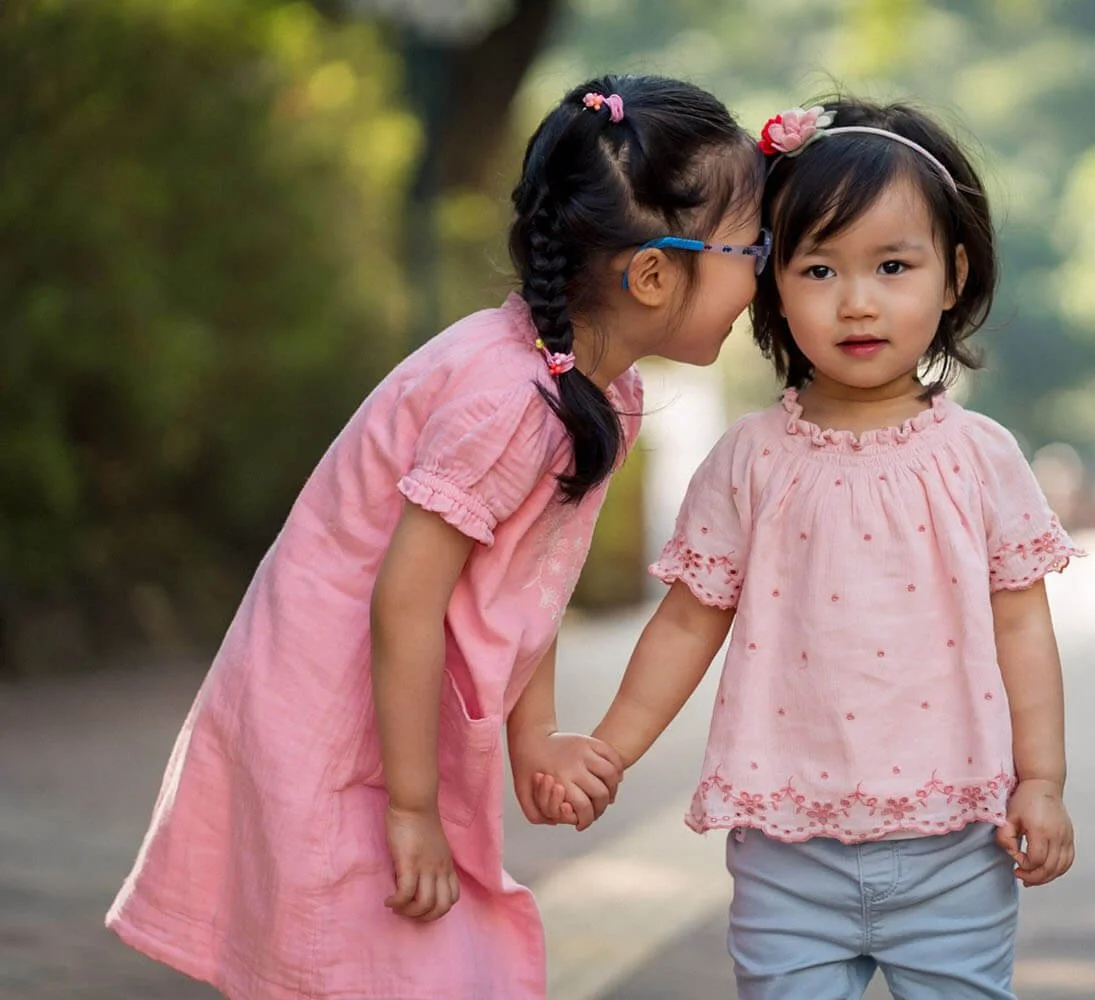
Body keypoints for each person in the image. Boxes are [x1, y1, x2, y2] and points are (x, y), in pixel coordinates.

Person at [105, 74, 767, 1000]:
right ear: (654, 275)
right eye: (752, 246)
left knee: (414, 965)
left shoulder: (590, 389)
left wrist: (535, 739)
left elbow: (527, 580)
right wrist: (412, 810)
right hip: (337, 728)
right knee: (367, 963)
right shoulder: (509, 400)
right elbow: (406, 601)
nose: (766, 271)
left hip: (394, 722)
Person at [537, 97, 1084, 999]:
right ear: (772, 285)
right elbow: (687, 623)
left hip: (956, 838)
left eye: (893, 266)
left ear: (952, 276)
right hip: (786, 848)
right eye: (820, 268)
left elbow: (1023, 625)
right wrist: (611, 751)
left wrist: (1045, 781)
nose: (857, 301)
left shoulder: (980, 458)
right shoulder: (750, 460)